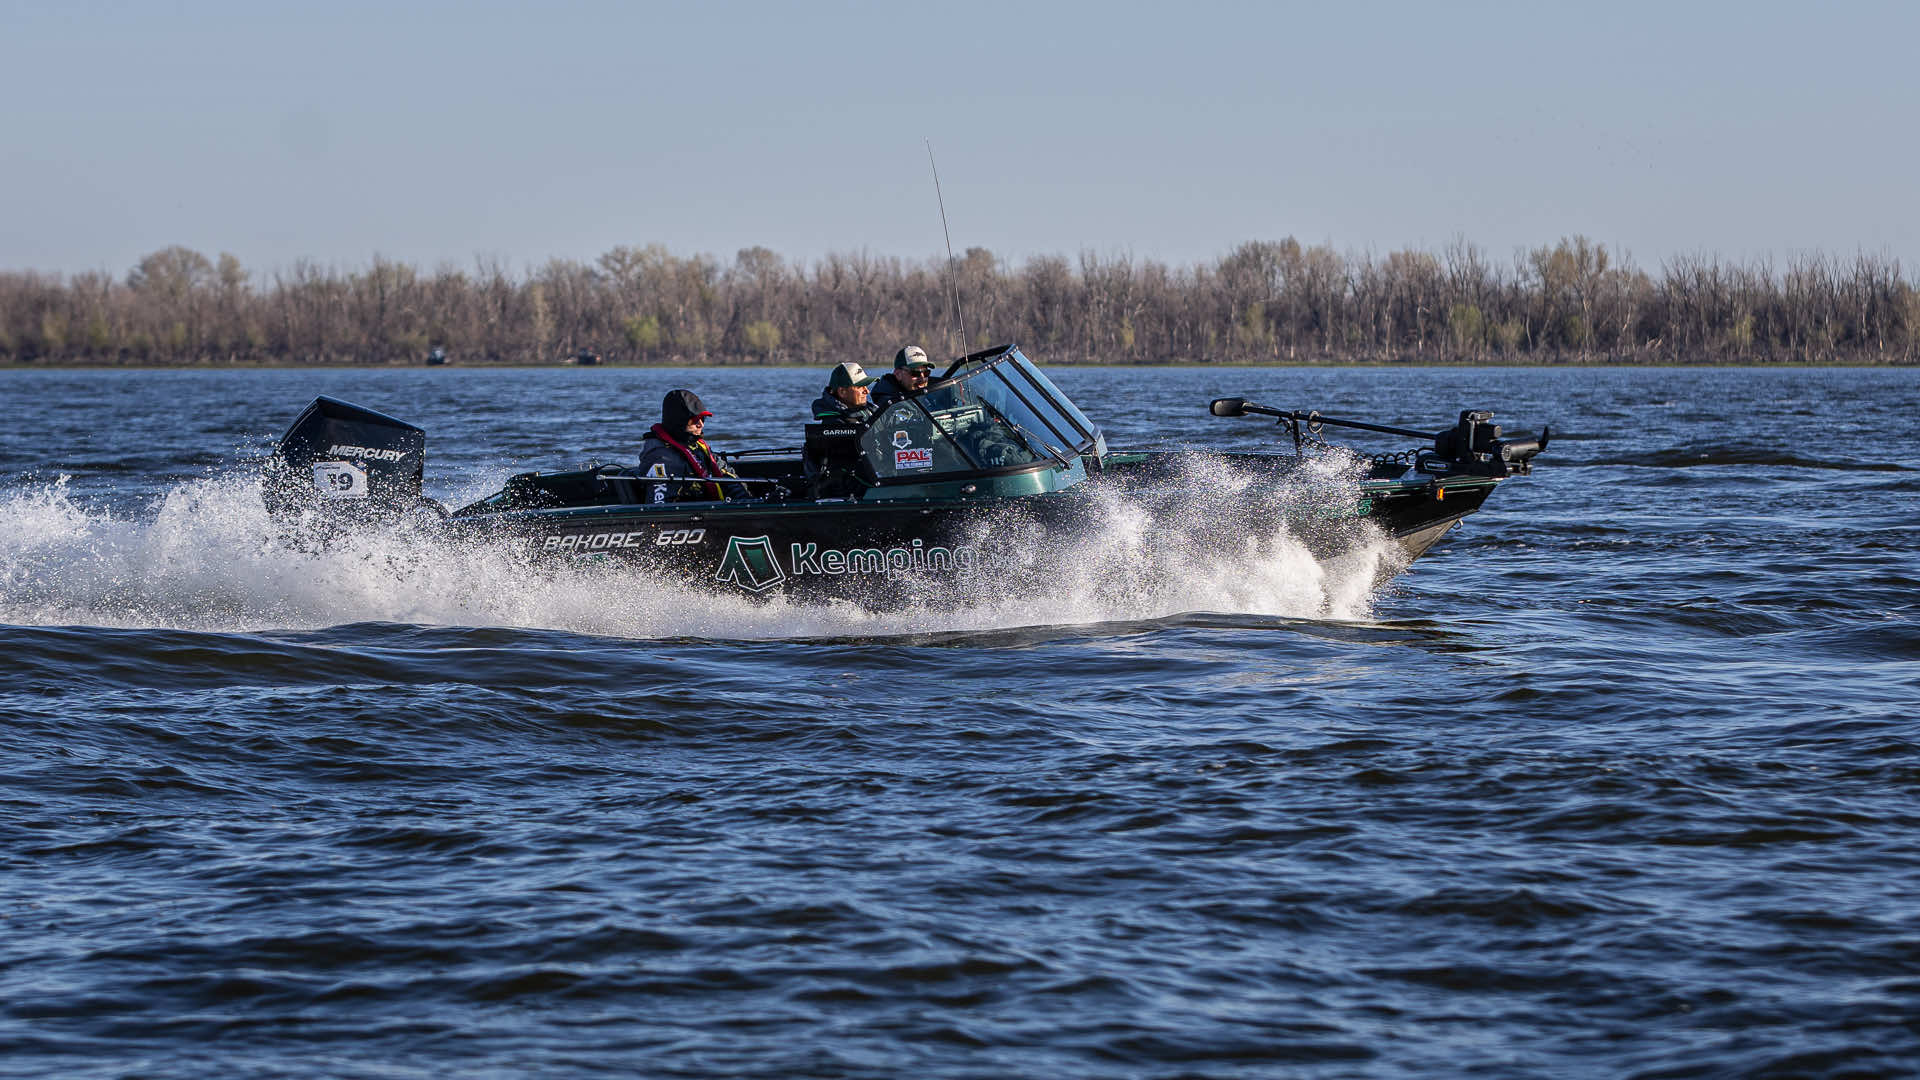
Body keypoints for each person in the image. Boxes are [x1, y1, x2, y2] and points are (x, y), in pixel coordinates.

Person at [638, 389, 741, 503]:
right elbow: (660, 509)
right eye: (695, 420)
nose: (701, 424)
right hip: (694, 516)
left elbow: (728, 477)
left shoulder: (697, 446)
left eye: (703, 419)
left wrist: (745, 500)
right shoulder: (662, 458)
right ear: (679, 421)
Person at [810, 361, 880, 424]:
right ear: (842, 392)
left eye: (866, 386)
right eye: (860, 387)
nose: (867, 391)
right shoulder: (834, 425)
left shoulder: (870, 410)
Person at [869, 345, 935, 409]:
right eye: (915, 373)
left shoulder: (932, 394)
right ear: (898, 374)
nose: (922, 378)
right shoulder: (889, 405)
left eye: (926, 373)